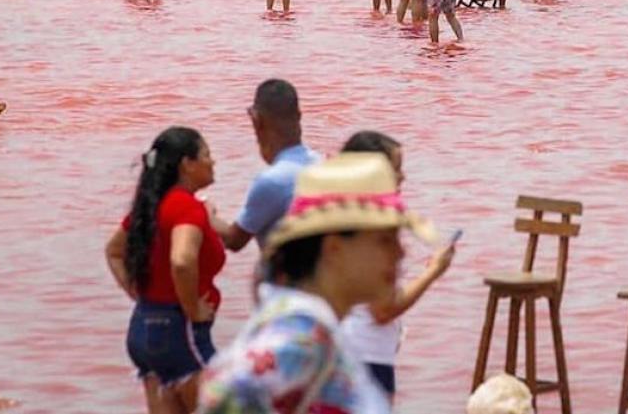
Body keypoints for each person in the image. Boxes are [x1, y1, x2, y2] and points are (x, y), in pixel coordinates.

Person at [199, 153, 437, 414]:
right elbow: (224, 395)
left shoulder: (316, 331)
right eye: (385, 240)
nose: (400, 253)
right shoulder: (302, 341)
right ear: (334, 249)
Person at [104, 127, 225, 414]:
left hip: (143, 329)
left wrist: (138, 294)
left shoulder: (149, 207)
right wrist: (193, 308)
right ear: (187, 164)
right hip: (180, 333)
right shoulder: (186, 208)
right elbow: (181, 261)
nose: (214, 161)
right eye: (207, 154)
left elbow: (113, 251)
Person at [338, 131, 456, 406]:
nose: (403, 177)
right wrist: (434, 271)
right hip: (367, 357)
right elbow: (383, 309)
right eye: (396, 169)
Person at [215, 80, 319, 254]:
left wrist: (202, 211)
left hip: (284, 278)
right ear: (299, 115)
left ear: (257, 120)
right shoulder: (322, 164)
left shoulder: (271, 181)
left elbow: (234, 240)